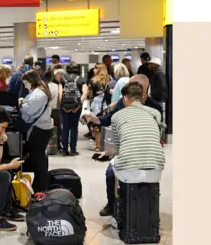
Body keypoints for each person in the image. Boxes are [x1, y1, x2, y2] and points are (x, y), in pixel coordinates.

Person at [82, 74, 163, 217]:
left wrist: (112, 153)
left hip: (139, 154)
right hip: (151, 160)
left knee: (117, 169)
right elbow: (109, 119)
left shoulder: (153, 107)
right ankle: (113, 204)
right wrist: (95, 119)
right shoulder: (152, 111)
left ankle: (126, 209)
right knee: (110, 174)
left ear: (144, 89)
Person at [19, 70, 53, 192]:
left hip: (40, 130)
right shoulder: (39, 91)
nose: (24, 85)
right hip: (42, 128)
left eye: (25, 82)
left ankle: (40, 187)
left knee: (38, 159)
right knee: (38, 158)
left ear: (31, 81)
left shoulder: (38, 94)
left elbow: (30, 110)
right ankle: (40, 186)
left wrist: (21, 103)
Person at [58, 62, 88, 156]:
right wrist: (78, 105)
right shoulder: (80, 79)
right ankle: (73, 150)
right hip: (76, 107)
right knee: (74, 128)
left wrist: (63, 106)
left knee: (65, 127)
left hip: (64, 107)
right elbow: (85, 93)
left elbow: (60, 94)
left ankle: (64, 149)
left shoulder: (62, 79)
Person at [89, 63, 112, 152]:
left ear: (99, 69)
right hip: (107, 104)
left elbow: (90, 95)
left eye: (95, 68)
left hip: (96, 105)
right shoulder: (109, 79)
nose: (93, 70)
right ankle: (106, 145)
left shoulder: (93, 80)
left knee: (96, 125)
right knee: (106, 125)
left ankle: (98, 146)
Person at [44, 69, 61, 152]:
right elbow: (59, 98)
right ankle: (57, 145)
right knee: (57, 128)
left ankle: (45, 145)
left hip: (45, 110)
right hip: (55, 110)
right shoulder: (56, 86)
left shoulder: (42, 86)